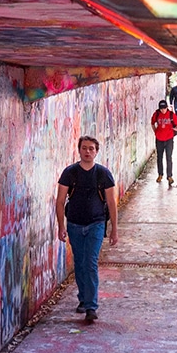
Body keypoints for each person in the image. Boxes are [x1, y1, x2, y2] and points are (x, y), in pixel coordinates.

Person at [56, 136, 118, 322]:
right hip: (74, 225)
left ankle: (91, 306)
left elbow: (111, 203)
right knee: (80, 264)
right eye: (84, 148)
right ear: (79, 150)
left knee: (90, 264)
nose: (88, 151)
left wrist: (114, 228)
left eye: (91, 148)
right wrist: (61, 226)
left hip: (96, 224)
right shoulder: (70, 173)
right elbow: (60, 202)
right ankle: (83, 298)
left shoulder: (103, 174)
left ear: (96, 151)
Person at [151, 100, 177, 185]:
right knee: (159, 157)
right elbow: (152, 123)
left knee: (169, 157)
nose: (163, 110)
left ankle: (169, 176)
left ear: (167, 107)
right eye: (161, 109)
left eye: (164, 108)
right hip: (159, 139)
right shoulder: (156, 114)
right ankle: (160, 174)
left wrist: (175, 129)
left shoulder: (171, 115)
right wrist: (155, 131)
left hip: (169, 139)